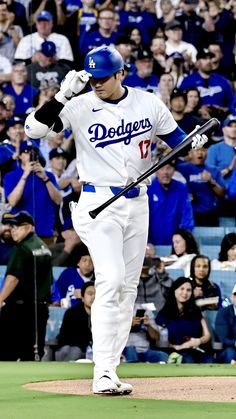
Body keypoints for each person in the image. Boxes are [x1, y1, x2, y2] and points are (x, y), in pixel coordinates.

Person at [24, 45, 207, 395]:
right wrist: (63, 94)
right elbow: (34, 130)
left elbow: (177, 143)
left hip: (137, 202)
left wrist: (191, 142)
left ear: (121, 73)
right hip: (98, 201)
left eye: (104, 77)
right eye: (93, 78)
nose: (97, 83)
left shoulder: (148, 102)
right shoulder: (78, 103)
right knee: (112, 279)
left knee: (128, 288)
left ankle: (110, 365)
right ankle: (102, 372)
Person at [0, 211, 52, 361]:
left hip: (20, 309)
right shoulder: (42, 247)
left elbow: (13, 278)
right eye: (12, 226)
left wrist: (0, 299)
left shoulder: (22, 248)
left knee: (6, 351)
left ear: (29, 227)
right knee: (32, 352)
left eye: (17, 226)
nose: (12, 230)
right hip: (40, 308)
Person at [3, 139, 62, 244]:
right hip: (21, 233)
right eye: (26, 151)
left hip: (45, 232)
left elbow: (58, 200)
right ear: (20, 156)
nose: (30, 154)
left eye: (33, 151)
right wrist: (25, 176)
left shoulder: (48, 175)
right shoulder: (11, 176)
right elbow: (12, 201)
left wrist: (45, 178)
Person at [156, 276, 214, 363]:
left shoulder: (196, 311)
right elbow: (159, 339)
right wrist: (177, 347)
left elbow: (207, 335)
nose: (185, 293)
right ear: (174, 290)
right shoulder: (164, 313)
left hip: (195, 349)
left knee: (209, 360)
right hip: (174, 351)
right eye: (182, 289)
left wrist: (198, 341)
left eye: (188, 290)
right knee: (187, 359)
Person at [147, 159, 194, 246]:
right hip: (151, 243)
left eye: (169, 168)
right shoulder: (148, 189)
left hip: (175, 243)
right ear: (155, 171)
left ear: (173, 170)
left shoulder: (181, 188)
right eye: (161, 168)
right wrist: (147, 242)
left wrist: (183, 240)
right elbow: (142, 217)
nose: (165, 172)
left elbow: (187, 216)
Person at [177, 144, 226, 226]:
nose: (200, 153)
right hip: (188, 213)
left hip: (210, 215)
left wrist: (211, 181)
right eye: (197, 150)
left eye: (203, 150)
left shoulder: (214, 170)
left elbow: (222, 194)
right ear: (190, 153)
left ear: (207, 152)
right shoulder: (180, 169)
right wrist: (185, 195)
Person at [55, 281, 95, 361]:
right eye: (90, 294)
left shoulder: (104, 316)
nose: (93, 297)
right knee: (73, 351)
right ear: (82, 298)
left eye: (96, 294)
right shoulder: (72, 313)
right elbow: (64, 338)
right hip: (73, 348)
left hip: (94, 351)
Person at [214, 283, 236, 363]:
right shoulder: (223, 313)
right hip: (226, 350)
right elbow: (223, 338)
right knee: (230, 353)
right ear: (232, 297)